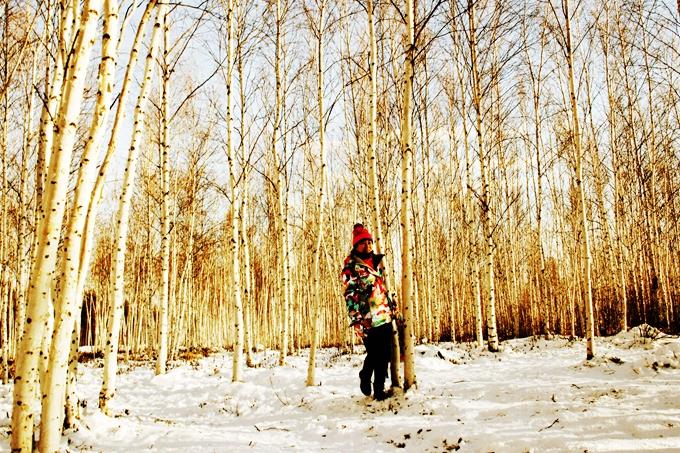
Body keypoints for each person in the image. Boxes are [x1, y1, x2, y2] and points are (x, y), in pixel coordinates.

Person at [341, 223, 396, 401]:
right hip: (367, 318)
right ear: (356, 246)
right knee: (374, 354)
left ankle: (379, 391)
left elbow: (382, 288)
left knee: (385, 354)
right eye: (363, 243)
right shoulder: (351, 268)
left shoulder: (377, 263)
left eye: (370, 242)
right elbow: (349, 295)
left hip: (384, 314)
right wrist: (357, 319)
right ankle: (365, 375)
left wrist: (392, 305)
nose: (368, 246)